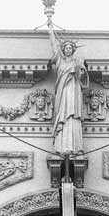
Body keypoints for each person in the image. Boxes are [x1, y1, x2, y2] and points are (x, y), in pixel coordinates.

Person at [46, 20, 89, 156]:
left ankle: (75, 146)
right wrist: (50, 30)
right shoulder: (59, 61)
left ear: (73, 50)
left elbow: (82, 78)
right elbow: (53, 45)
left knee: (73, 116)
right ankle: (61, 145)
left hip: (74, 93)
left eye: (71, 48)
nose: (68, 50)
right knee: (63, 116)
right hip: (63, 93)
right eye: (66, 48)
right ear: (63, 50)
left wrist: (79, 68)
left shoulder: (76, 63)